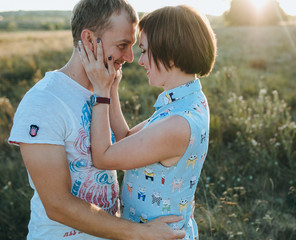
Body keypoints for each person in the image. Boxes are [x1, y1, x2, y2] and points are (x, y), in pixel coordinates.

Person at [8, 0, 185, 239]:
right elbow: (57, 204)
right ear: (89, 40)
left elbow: (123, 150)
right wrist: (141, 233)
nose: (130, 57)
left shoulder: (102, 89)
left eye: (132, 46)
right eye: (122, 45)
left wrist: (110, 90)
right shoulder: (43, 102)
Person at [78, 5, 217, 240]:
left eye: (144, 50)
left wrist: (101, 92)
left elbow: (103, 157)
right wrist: (112, 88)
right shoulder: (190, 100)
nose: (140, 61)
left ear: (170, 54)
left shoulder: (176, 125)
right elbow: (126, 139)